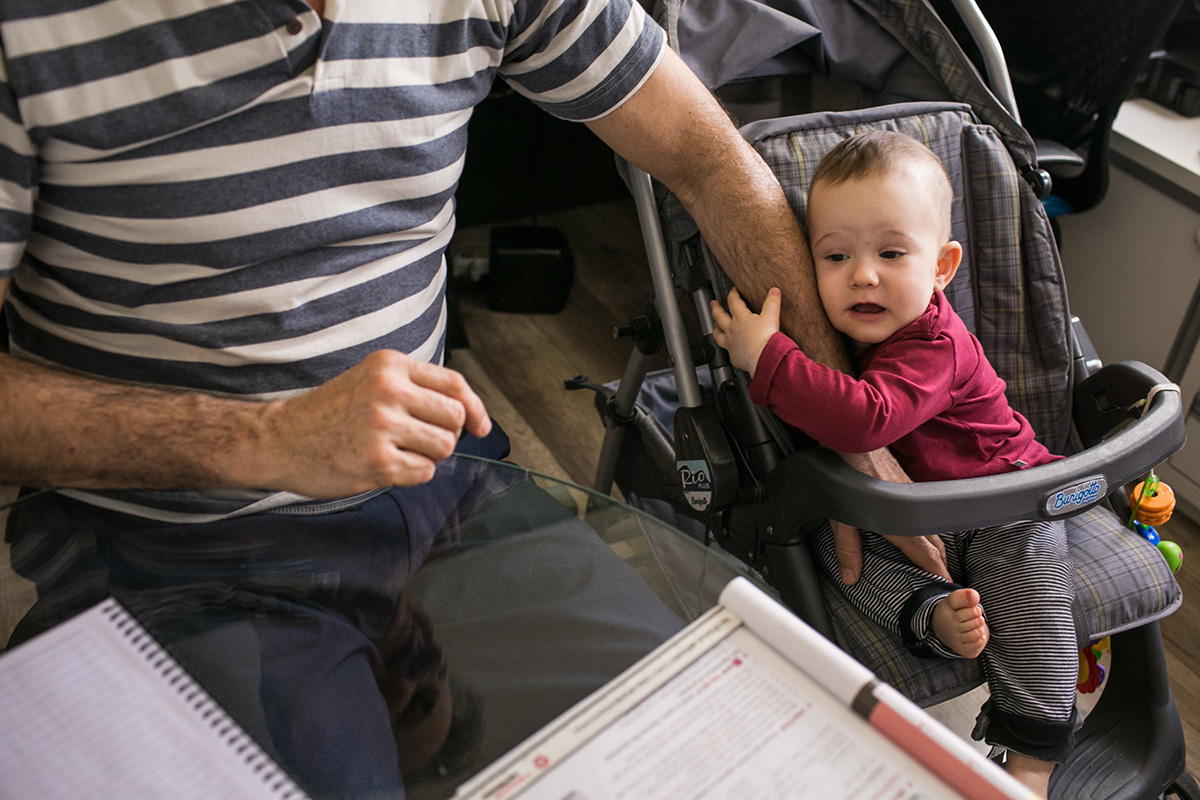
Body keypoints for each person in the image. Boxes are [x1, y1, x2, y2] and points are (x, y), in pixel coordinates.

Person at [0, 0, 947, 600]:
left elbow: (709, 158)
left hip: (442, 485)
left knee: (680, 740)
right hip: (170, 543)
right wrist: (269, 437)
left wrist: (844, 429)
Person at [709, 130, 1077, 797]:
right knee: (838, 554)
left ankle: (1031, 761)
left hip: (999, 502)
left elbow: (862, 419)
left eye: (891, 253)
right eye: (836, 255)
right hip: (910, 513)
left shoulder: (935, 342)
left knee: (1032, 594)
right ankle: (930, 614)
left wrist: (768, 359)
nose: (863, 275)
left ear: (941, 267)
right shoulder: (853, 339)